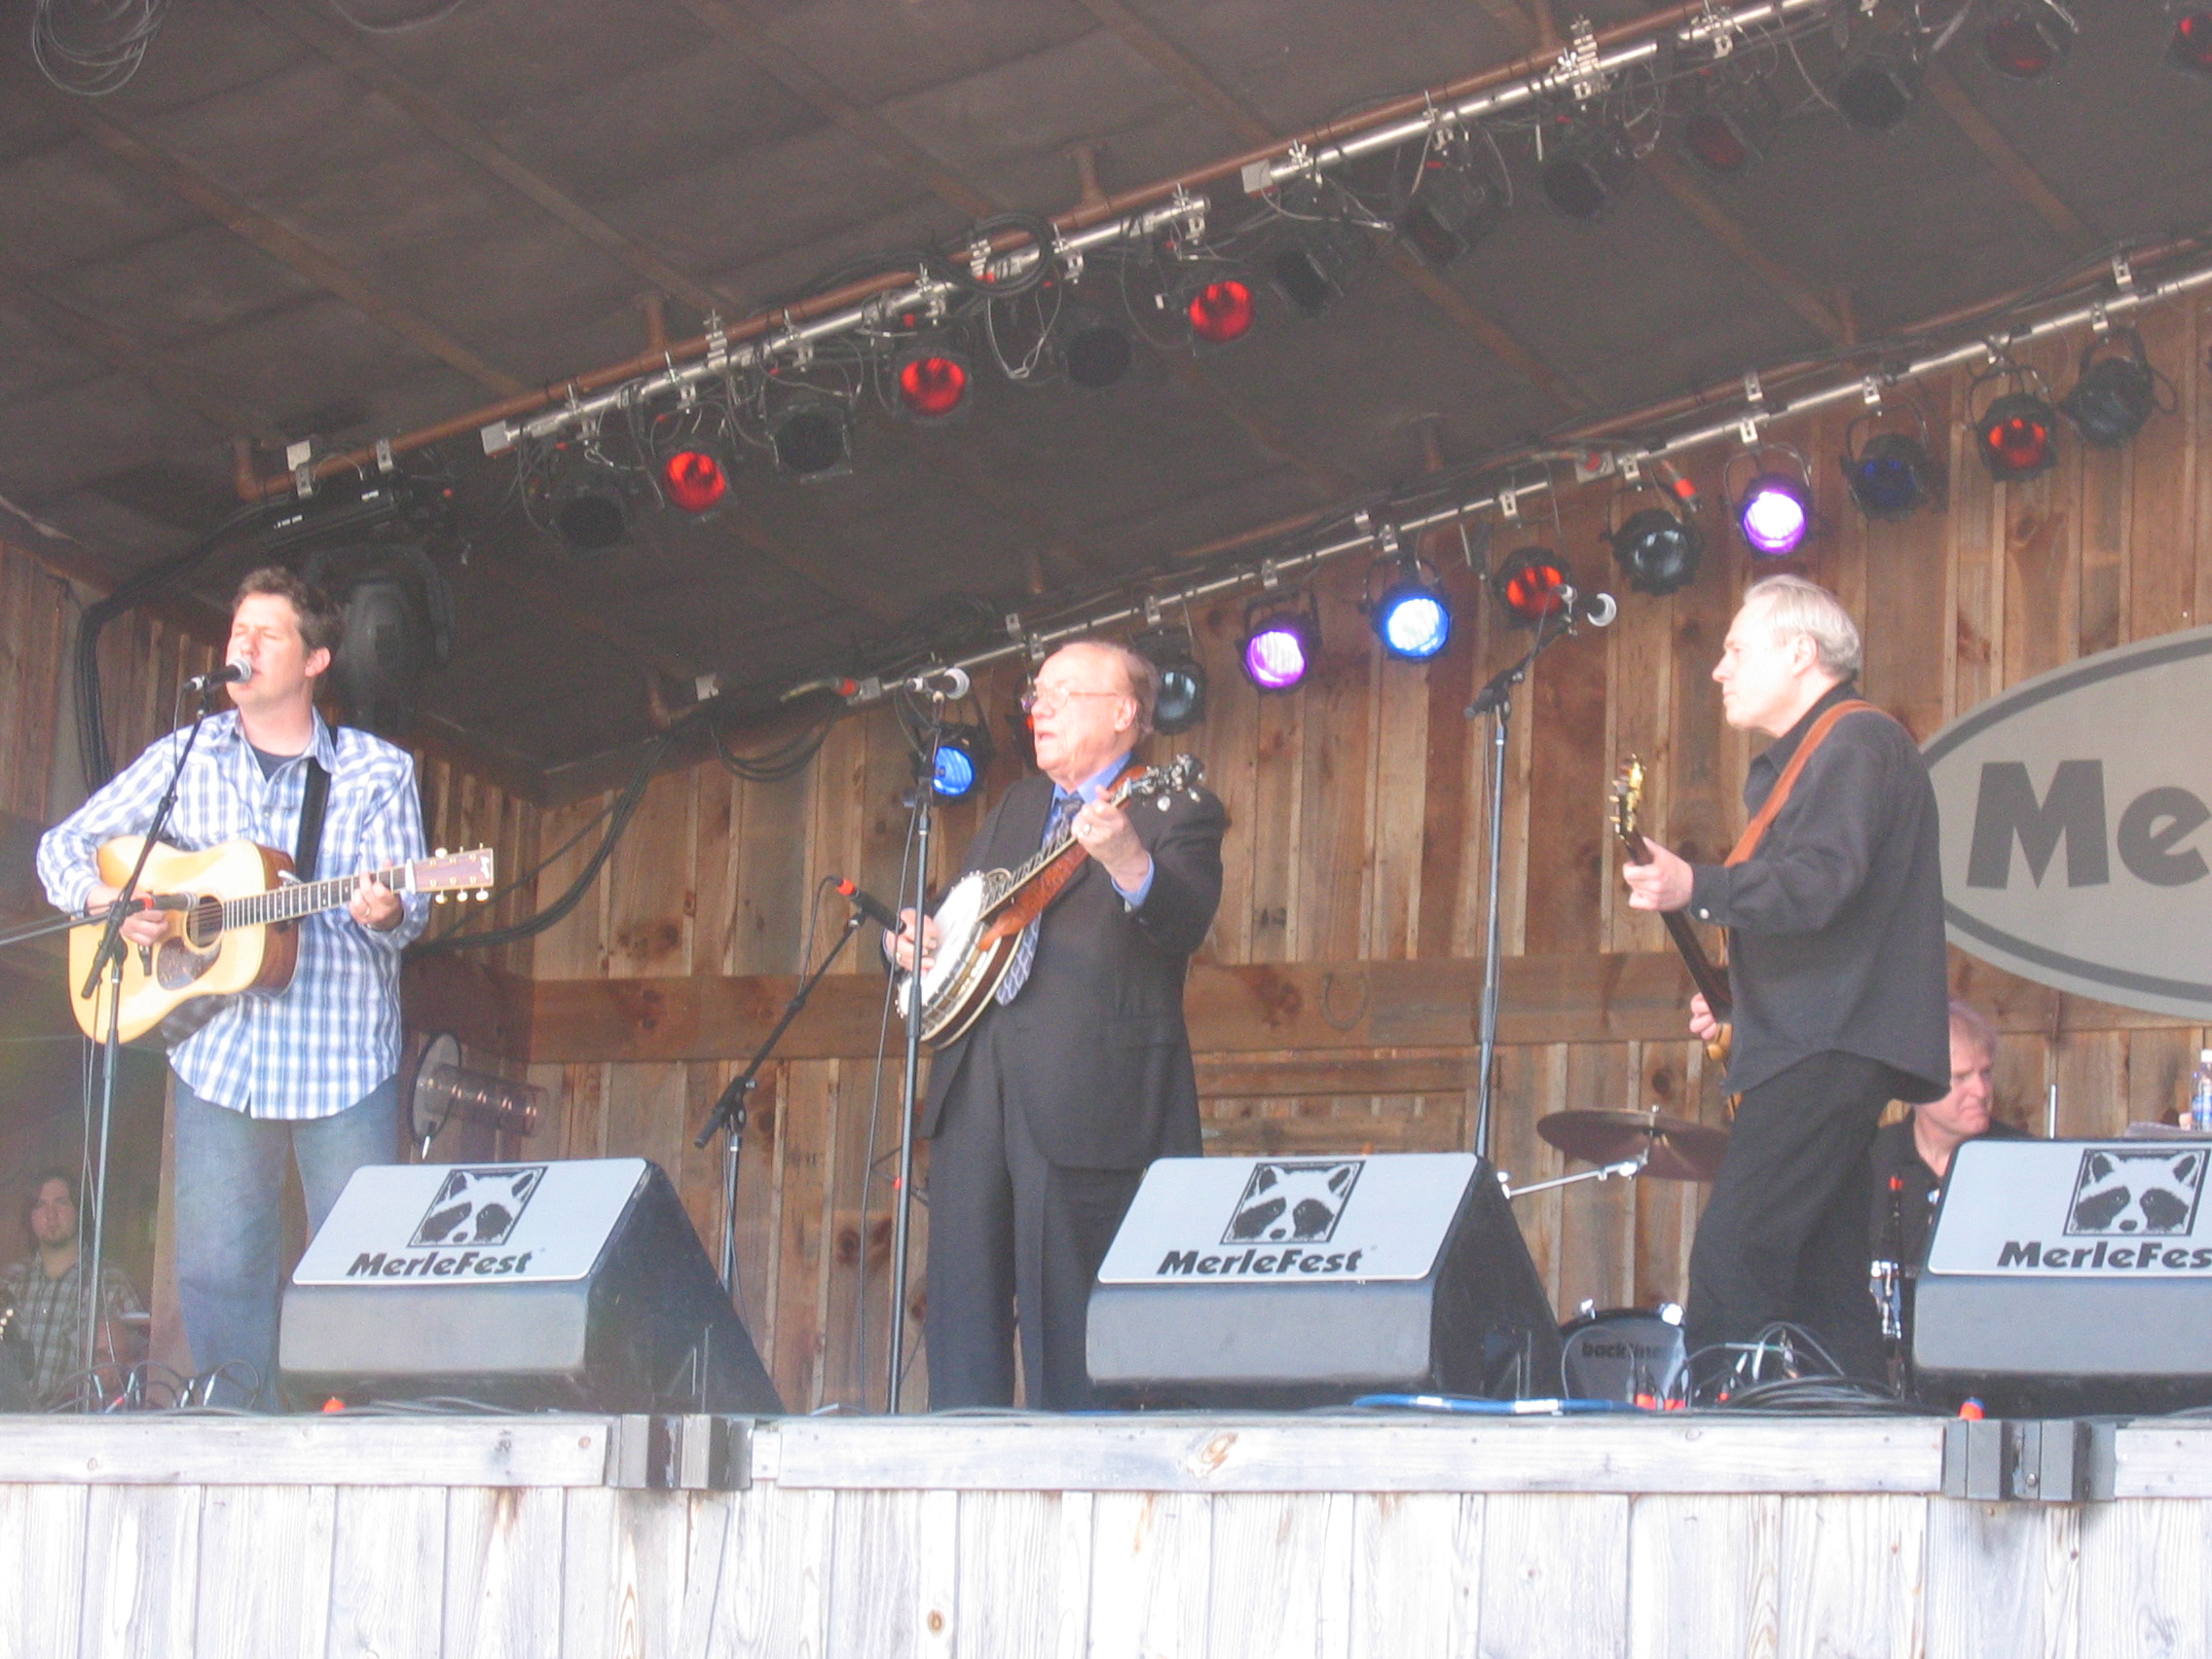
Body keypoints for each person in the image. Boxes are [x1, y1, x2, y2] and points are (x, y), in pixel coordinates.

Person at [37, 568, 429, 1408]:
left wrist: (387, 907)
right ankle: (232, 1443)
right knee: (216, 1273)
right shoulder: (188, 756)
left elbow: (411, 915)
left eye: (269, 634)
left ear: (317, 659)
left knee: (362, 1271)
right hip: (220, 1056)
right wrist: (109, 900)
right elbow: (60, 849)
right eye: (237, 632)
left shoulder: (375, 772)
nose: (242, 647)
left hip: (340, 1063)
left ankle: (361, 1443)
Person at [1621, 574, 1948, 1384]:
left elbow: (1819, 881)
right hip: (1825, 1039)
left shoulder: (1854, 742)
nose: (1718, 670)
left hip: (1825, 1045)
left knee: (1737, 1258)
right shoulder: (1836, 750)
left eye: (1736, 650)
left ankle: (1720, 1458)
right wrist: (1740, 995)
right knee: (1822, 1285)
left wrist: (1698, 886)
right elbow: (1830, 909)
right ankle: (1867, 1440)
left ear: (1800, 653)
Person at [892, 639, 1226, 1410]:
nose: (1037, 707)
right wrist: (911, 941)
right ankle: (960, 1472)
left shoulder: (1176, 804)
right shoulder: (1014, 807)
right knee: (961, 1310)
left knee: (1069, 1326)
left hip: (1086, 1096)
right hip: (976, 1084)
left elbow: (1183, 922)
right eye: (1035, 693)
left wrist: (1128, 860)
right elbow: (961, 923)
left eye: (1062, 693)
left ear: (1124, 714)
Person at [1869, 999, 2027, 1273]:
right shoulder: (1868, 1162)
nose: (1981, 1090)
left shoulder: (2025, 1161)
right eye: (1961, 1077)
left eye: (1985, 1073)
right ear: (1915, 1082)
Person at [0, 1169, 146, 1405]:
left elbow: (140, 1364)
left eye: (61, 1203)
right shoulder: (8, 1282)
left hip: (76, 1426)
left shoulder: (112, 1282)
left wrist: (110, 1361)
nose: (51, 1214)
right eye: (40, 1205)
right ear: (30, 1216)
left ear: (80, 1211)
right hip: (10, 1423)